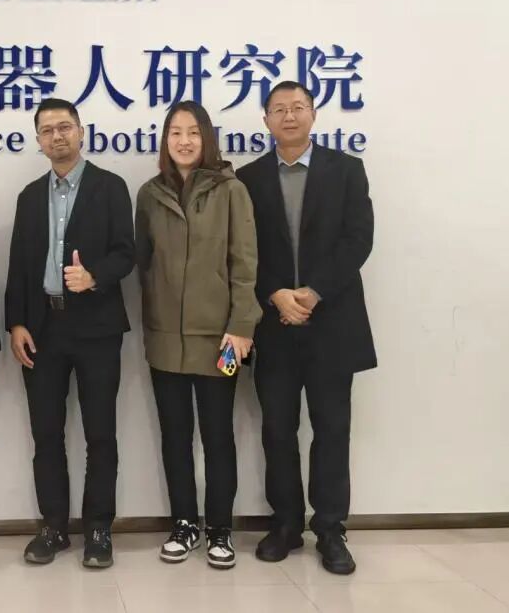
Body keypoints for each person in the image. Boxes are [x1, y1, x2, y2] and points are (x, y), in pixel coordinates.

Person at [237, 80, 376, 575]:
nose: (289, 116)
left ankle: (331, 528)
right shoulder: (247, 179)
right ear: (266, 120)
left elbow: (358, 240)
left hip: (332, 323)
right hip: (274, 326)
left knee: (332, 429)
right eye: (279, 109)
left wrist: (314, 292)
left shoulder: (346, 170)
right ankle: (286, 524)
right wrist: (275, 293)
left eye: (298, 107)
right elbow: (242, 251)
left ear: (313, 114)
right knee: (277, 429)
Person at [5, 98, 135, 569]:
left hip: (97, 327)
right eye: (47, 130)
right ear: (39, 141)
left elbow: (127, 253)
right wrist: (16, 323)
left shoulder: (111, 187)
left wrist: (94, 275)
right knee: (46, 434)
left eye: (64, 127)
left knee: (101, 433)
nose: (57, 136)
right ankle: (53, 527)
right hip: (42, 328)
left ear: (81, 132)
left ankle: (98, 528)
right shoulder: (28, 196)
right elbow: (19, 265)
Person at [135, 101, 261, 569]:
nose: (184, 141)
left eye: (192, 132)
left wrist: (242, 326)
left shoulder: (231, 190)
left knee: (217, 436)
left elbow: (244, 264)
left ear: (206, 137)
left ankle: (220, 529)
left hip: (219, 341)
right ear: (165, 140)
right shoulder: (149, 194)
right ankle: (184, 524)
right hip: (165, 339)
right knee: (175, 437)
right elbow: (144, 264)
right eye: (175, 132)